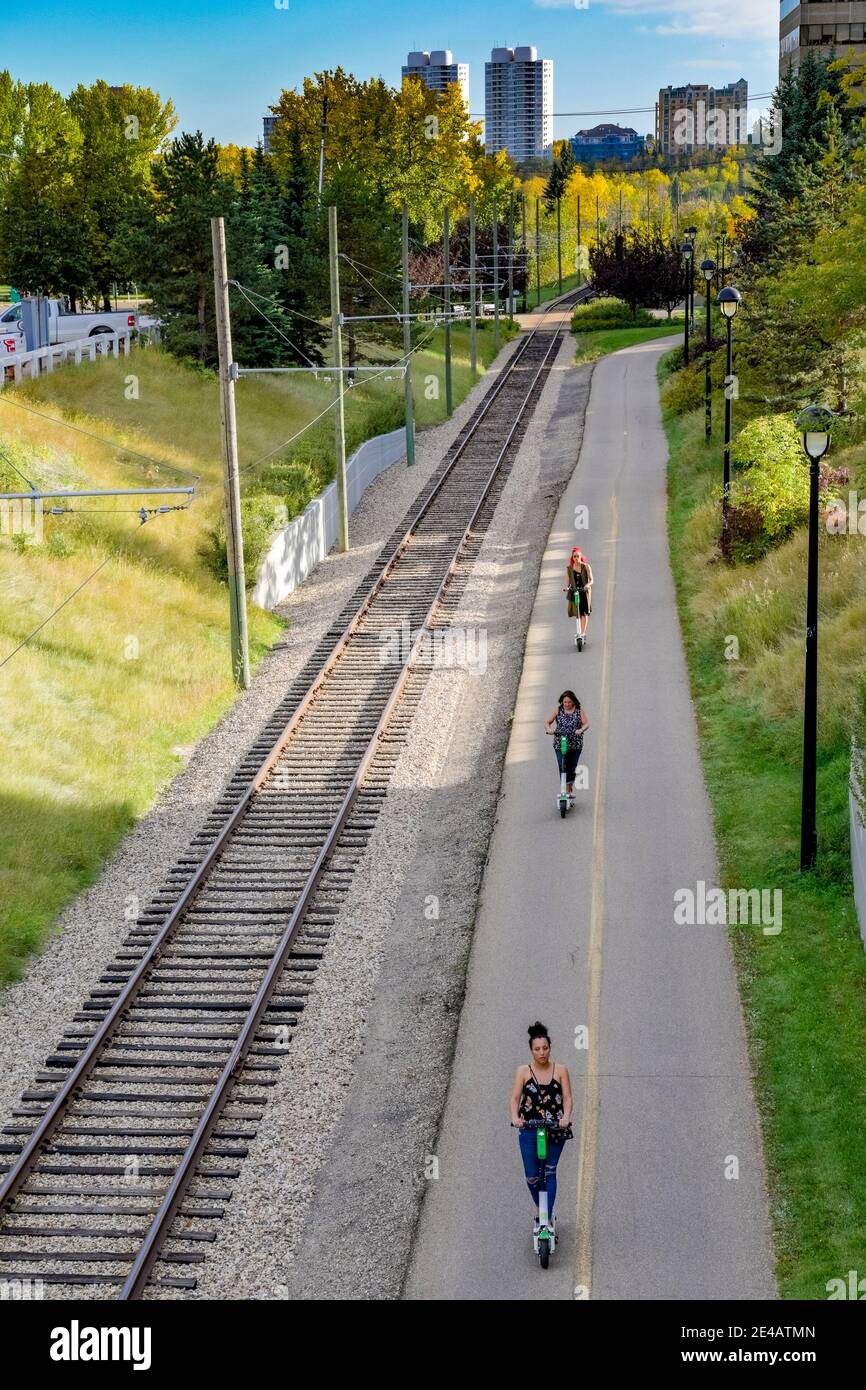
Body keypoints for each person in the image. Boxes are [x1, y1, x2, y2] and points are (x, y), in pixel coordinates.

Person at [510, 1022, 574, 1238]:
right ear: (531, 1050)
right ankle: (543, 1209)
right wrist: (515, 1117)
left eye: (545, 1048)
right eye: (537, 1049)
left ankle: (546, 1218)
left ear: (550, 1048)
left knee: (549, 1172)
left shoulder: (561, 1070)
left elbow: (567, 1097)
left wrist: (565, 1117)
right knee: (532, 1177)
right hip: (530, 1128)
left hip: (554, 1129)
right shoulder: (523, 1071)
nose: (542, 1053)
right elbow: (515, 1098)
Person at [545, 689, 589, 806]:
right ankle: (564, 789)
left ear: (573, 702)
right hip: (560, 743)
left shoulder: (579, 710)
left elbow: (586, 723)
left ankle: (569, 787)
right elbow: (547, 722)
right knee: (562, 765)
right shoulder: (557, 710)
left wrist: (581, 730)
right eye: (565, 702)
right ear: (562, 702)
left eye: (569, 702)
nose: (567, 704)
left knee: (571, 766)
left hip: (575, 744)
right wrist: (549, 729)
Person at [565, 547, 593, 645]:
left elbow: (591, 580)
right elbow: (568, 583)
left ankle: (583, 633)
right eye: (574, 556)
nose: (576, 558)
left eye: (578, 556)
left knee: (584, 614)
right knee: (578, 614)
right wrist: (567, 588)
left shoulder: (586, 567)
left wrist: (587, 585)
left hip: (584, 592)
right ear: (572, 558)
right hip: (575, 593)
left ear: (581, 556)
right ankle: (579, 633)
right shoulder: (569, 569)